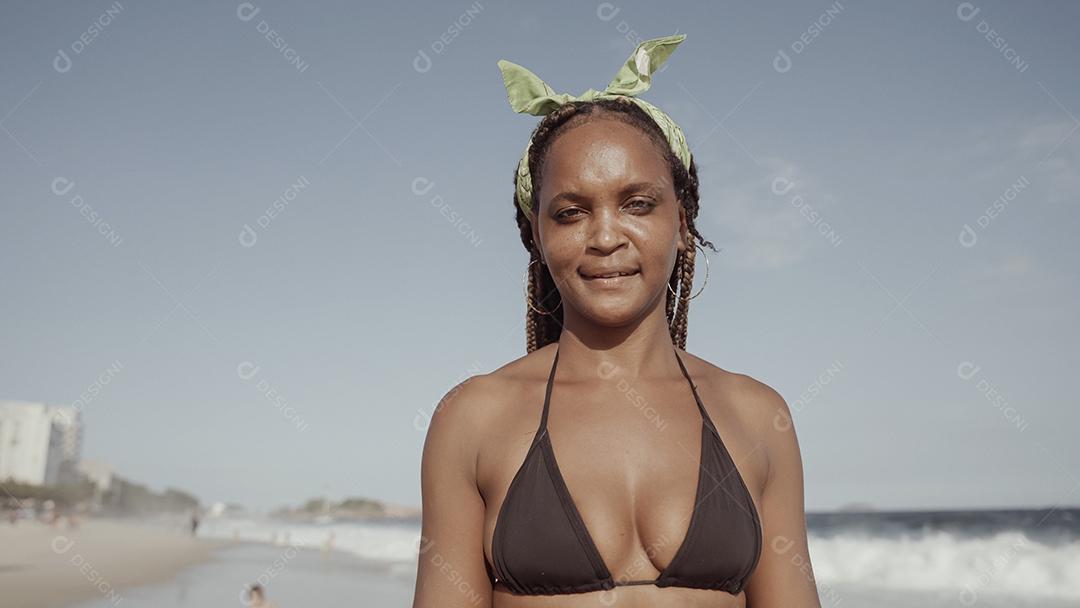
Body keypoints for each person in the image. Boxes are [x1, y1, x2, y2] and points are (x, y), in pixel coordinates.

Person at [413, 35, 821, 607]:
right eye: (571, 212)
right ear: (536, 234)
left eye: (637, 203)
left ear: (681, 220)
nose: (605, 237)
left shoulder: (758, 417)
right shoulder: (473, 419)